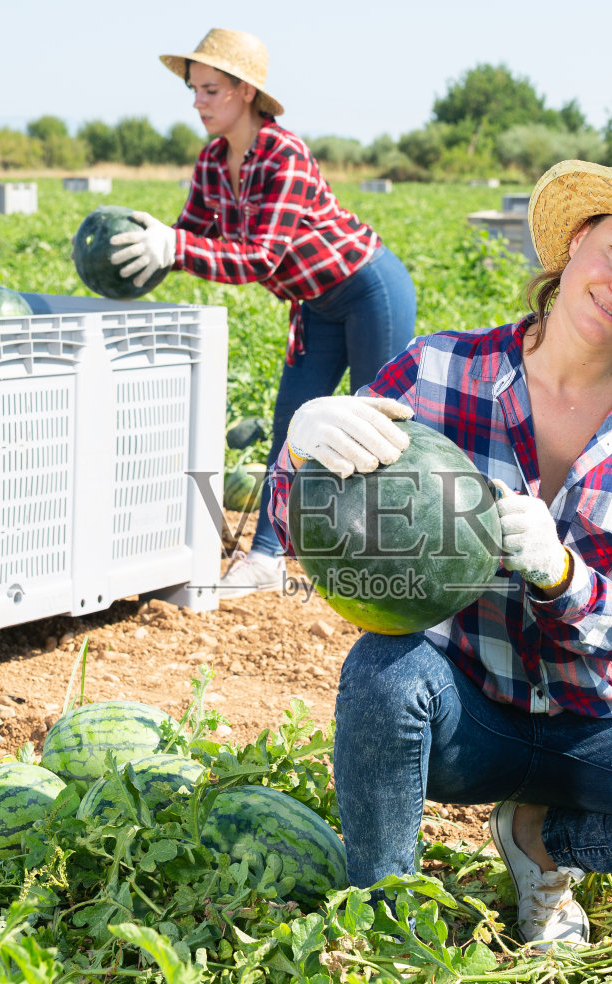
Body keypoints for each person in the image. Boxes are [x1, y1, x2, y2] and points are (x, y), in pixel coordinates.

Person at [266, 162, 612, 947]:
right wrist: (301, 451)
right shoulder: (438, 370)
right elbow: (297, 524)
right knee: (382, 670)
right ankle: (386, 921)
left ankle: (544, 836)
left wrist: (564, 576)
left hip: (595, 726)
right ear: (576, 242)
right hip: (465, 715)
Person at [108, 27, 416, 596]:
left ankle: (392, 558)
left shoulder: (283, 154)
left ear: (245, 91)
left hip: (368, 289)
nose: (197, 103)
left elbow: (261, 257)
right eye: (194, 90)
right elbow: (191, 234)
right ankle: (267, 559)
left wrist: (176, 247)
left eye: (210, 90)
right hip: (315, 303)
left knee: (377, 425)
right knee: (293, 422)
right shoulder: (211, 161)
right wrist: (145, 253)